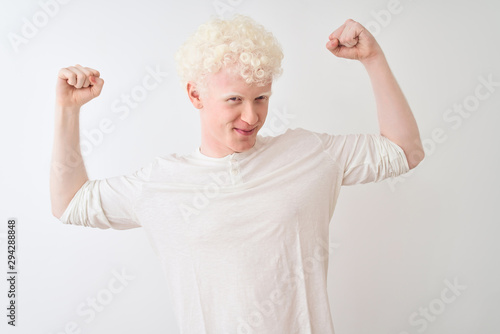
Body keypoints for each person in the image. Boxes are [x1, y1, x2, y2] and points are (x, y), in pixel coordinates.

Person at [50, 14, 424, 334]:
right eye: (234, 100)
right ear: (195, 96)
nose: (251, 117)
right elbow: (70, 203)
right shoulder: (160, 183)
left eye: (261, 98)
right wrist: (68, 111)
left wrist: (373, 59)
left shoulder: (307, 153)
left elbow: (404, 151)